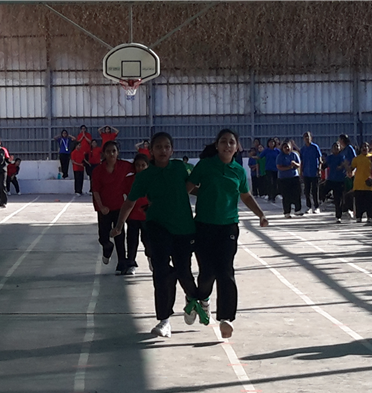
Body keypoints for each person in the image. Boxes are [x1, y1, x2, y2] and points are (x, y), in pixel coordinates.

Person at [110, 133, 201, 338]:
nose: (163, 150)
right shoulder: (145, 176)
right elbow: (130, 202)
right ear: (151, 151)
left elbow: (193, 187)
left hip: (183, 228)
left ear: (172, 150)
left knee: (183, 271)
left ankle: (193, 296)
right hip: (157, 227)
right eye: (158, 147)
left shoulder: (179, 168)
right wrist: (119, 225)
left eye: (166, 146)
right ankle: (164, 319)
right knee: (160, 272)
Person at [186, 129, 269, 339]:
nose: (227, 145)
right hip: (204, 226)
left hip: (228, 227)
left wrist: (260, 214)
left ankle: (226, 318)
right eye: (223, 141)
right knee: (207, 273)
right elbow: (187, 188)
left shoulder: (238, 171)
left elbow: (245, 196)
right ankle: (200, 298)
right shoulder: (205, 166)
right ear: (217, 145)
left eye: (231, 142)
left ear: (237, 147)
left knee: (225, 272)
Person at [92, 141, 133, 273]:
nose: (111, 154)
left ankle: (122, 263)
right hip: (104, 208)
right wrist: (101, 206)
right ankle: (107, 247)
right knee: (103, 236)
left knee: (119, 235)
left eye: (114, 151)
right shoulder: (98, 170)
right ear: (104, 153)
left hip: (119, 207)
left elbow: (139, 167)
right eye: (108, 151)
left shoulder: (124, 166)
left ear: (117, 152)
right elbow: (95, 190)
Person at [123, 153, 151, 275]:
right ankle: (131, 263)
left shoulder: (152, 179)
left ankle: (151, 257)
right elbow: (124, 196)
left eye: (143, 165)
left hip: (147, 216)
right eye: (138, 165)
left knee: (148, 240)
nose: (140, 168)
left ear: (147, 166)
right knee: (132, 240)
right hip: (132, 215)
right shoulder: (129, 180)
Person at [349, 142, 372, 223]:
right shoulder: (356, 159)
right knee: (359, 202)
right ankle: (359, 216)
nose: (365, 148)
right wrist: (349, 171)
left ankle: (370, 217)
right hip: (359, 184)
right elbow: (352, 168)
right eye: (363, 147)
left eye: (366, 146)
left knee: (370, 202)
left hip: (370, 184)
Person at [323, 142, 348, 224]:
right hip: (331, 179)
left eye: (337, 147)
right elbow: (324, 165)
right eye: (334, 147)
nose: (336, 148)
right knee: (322, 189)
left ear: (340, 148)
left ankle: (338, 216)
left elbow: (343, 165)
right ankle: (323, 200)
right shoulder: (330, 157)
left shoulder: (342, 156)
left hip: (339, 180)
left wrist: (341, 166)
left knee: (338, 199)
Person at [276, 141, 303, 217]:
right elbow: (279, 167)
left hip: (294, 177)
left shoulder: (294, 155)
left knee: (297, 194)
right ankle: (287, 212)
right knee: (286, 196)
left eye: (288, 146)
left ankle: (297, 210)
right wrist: (289, 167)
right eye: (285, 147)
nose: (287, 148)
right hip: (284, 178)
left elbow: (299, 164)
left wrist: (295, 164)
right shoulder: (280, 156)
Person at [300, 132, 322, 214]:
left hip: (314, 171)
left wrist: (319, 169)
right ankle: (308, 206)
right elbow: (301, 161)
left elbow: (320, 159)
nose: (307, 138)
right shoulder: (303, 149)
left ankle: (317, 206)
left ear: (311, 138)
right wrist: (301, 171)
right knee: (307, 190)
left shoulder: (315, 147)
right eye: (305, 137)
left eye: (308, 137)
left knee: (315, 190)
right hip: (306, 172)